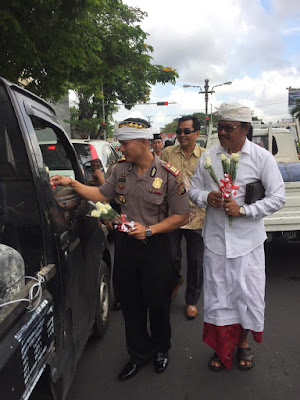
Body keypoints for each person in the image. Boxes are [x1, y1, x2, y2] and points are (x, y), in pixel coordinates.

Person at [50, 118, 189, 380]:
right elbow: (102, 194)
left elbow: (182, 215)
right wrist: (73, 184)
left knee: (158, 304)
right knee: (130, 304)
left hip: (156, 247)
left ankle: (161, 348)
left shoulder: (169, 175)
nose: (121, 148)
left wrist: (149, 230)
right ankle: (139, 353)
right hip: (126, 248)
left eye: (125, 143)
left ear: (144, 142)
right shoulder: (120, 170)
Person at [189, 103, 285, 371]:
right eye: (219, 127)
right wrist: (207, 197)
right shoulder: (209, 157)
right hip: (216, 241)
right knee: (219, 296)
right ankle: (221, 347)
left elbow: (278, 198)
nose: (222, 132)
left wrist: (245, 210)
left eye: (228, 128)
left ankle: (242, 343)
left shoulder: (262, 158)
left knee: (246, 295)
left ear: (245, 128)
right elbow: (193, 191)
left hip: (248, 243)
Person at [161, 116, 206, 319]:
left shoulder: (206, 156)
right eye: (179, 131)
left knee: (196, 262)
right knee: (170, 257)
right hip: (173, 215)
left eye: (186, 131)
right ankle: (175, 279)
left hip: (199, 217)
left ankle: (192, 300)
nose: (181, 135)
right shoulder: (168, 153)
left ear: (197, 133)